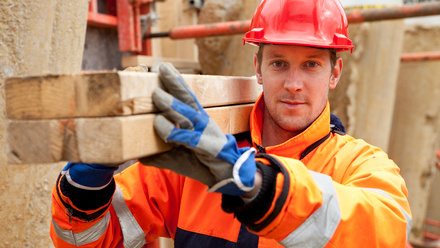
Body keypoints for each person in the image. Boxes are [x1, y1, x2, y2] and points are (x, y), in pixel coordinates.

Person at [50, 0, 412, 247]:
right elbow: (92, 239)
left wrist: (256, 182)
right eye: (279, 63)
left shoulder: (361, 165)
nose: (294, 83)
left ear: (336, 72)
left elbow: (386, 232)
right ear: (257, 67)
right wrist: (85, 189)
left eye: (312, 64)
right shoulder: (197, 160)